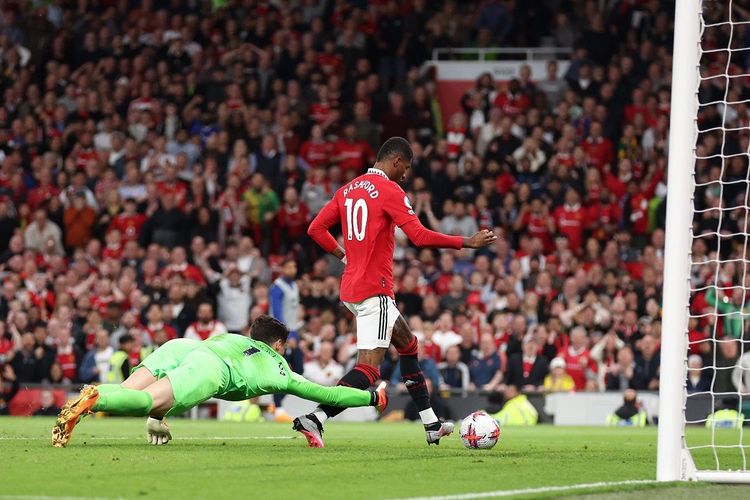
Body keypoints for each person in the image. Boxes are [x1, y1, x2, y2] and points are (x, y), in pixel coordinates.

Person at [299, 136, 497, 447]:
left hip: (352, 287)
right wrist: (466, 243)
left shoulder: (348, 189)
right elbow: (418, 236)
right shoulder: (390, 190)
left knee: (408, 344)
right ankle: (316, 417)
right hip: (373, 291)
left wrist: (343, 255)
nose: (405, 174)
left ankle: (431, 423)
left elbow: (315, 229)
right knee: (368, 369)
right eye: (405, 167)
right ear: (395, 162)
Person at [52, 316, 387, 448]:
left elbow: (195, 354)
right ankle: (94, 400)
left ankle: (89, 398)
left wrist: (159, 419)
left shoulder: (233, 336)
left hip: (184, 347)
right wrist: (372, 399)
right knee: (146, 402)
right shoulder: (279, 368)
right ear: (279, 346)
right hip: (210, 368)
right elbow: (328, 392)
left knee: (130, 392)